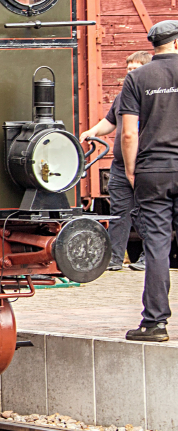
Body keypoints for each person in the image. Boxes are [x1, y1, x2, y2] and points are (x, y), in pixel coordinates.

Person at [120, 19, 178, 342]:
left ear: (154, 46)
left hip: (152, 170)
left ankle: (155, 323)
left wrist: (131, 169)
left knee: (157, 246)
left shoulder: (137, 77)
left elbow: (129, 133)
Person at [80, 50, 153, 271]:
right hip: (120, 166)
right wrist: (90, 132)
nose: (131, 72)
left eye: (136, 68)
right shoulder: (124, 96)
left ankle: (149, 258)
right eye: (129, 69)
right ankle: (113, 258)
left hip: (145, 163)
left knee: (147, 211)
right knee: (119, 212)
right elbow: (110, 122)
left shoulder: (152, 95)